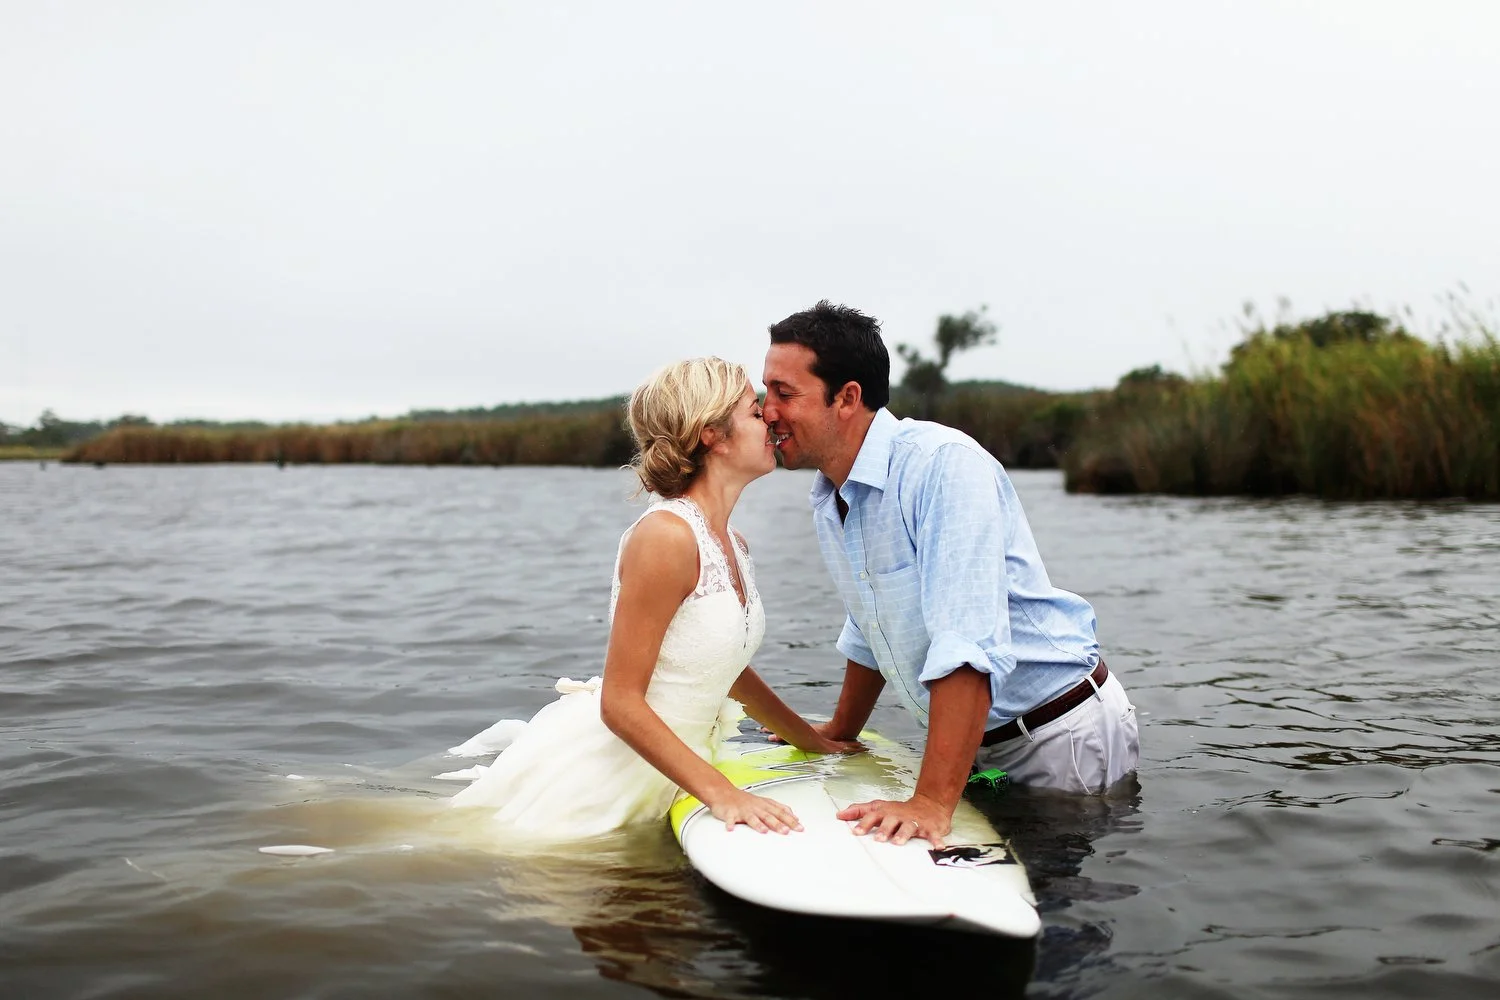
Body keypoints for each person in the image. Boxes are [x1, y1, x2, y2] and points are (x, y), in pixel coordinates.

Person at [760, 301, 1139, 849]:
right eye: (765, 390)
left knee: (1061, 908)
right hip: (982, 743)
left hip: (1058, 735)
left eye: (783, 392)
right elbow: (872, 627)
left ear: (847, 398)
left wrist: (931, 804)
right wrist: (840, 733)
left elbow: (968, 644)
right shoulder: (830, 495)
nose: (765, 410)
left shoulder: (943, 466)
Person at [449, 357, 858, 842]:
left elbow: (722, 668)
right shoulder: (665, 537)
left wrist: (810, 740)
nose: (771, 418)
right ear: (712, 434)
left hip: (680, 769)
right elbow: (620, 702)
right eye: (754, 410)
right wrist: (724, 794)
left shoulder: (732, 541)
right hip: (612, 777)